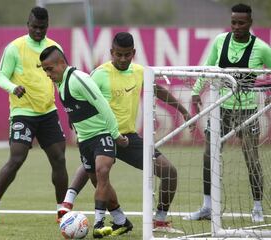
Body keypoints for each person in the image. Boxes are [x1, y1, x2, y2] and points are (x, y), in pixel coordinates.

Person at [57, 32, 194, 233]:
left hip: (128, 138)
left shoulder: (140, 72)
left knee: (169, 172)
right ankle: (71, 203)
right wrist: (74, 120)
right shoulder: (99, 74)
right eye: (118, 54)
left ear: (133, 53)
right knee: (96, 173)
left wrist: (182, 110)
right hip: (102, 135)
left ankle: (160, 219)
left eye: (127, 55)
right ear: (111, 52)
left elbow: (158, 90)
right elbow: (82, 97)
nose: (122, 59)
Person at [0, 6, 68, 225]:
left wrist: (70, 106)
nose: (38, 31)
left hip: (48, 112)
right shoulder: (15, 48)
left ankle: (62, 212)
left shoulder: (55, 48)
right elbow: (1, 76)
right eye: (34, 27)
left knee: (59, 159)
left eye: (42, 27)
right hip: (23, 113)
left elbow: (62, 78)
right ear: (27, 25)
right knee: (17, 157)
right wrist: (13, 87)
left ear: (47, 26)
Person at [187, 3, 271, 222]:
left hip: (248, 112)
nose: (236, 26)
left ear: (250, 23)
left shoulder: (262, 49)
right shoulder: (220, 41)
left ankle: (257, 207)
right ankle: (207, 207)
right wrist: (196, 93)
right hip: (220, 109)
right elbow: (208, 67)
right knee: (209, 156)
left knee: (251, 158)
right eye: (233, 22)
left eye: (241, 23)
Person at [40, 45, 133, 238]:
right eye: (45, 70)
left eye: (50, 69)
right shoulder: (60, 82)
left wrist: (115, 134)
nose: (48, 74)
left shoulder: (78, 79)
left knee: (102, 172)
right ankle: (121, 220)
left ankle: (99, 223)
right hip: (85, 140)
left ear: (62, 63)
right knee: (96, 180)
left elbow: (102, 103)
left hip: (103, 133)